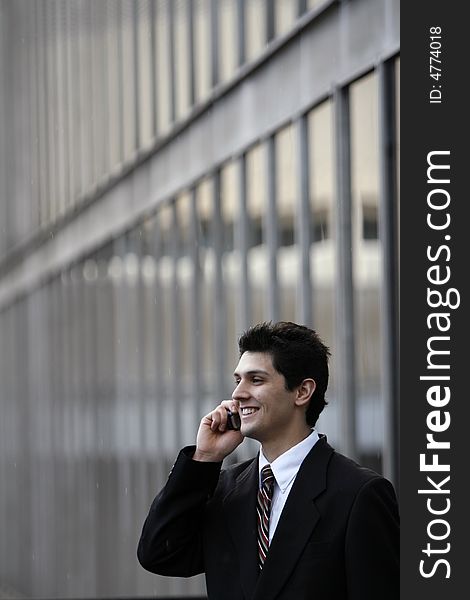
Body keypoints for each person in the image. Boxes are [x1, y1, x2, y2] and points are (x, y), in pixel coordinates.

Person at [137, 321, 399, 599]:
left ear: (302, 392)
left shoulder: (359, 494)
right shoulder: (224, 490)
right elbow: (159, 553)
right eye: (238, 380)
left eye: (256, 379)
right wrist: (204, 458)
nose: (238, 393)